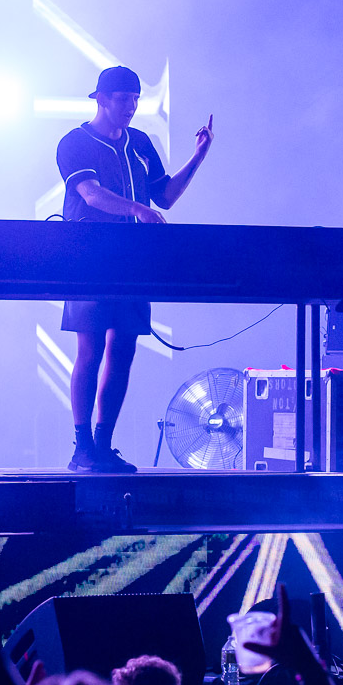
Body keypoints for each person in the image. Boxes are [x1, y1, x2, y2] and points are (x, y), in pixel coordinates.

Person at [57, 65, 214, 473]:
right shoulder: (74, 142)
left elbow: (166, 197)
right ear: (101, 99)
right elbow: (89, 195)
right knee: (89, 351)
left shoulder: (141, 143)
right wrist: (135, 208)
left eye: (136, 99)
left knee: (123, 350)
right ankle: (82, 448)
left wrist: (198, 156)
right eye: (124, 99)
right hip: (89, 261)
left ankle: (104, 446)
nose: (131, 107)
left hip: (133, 264)